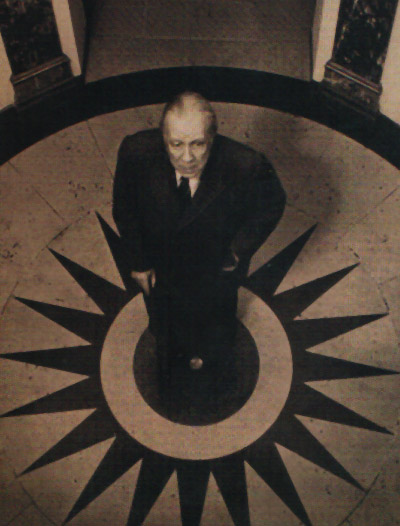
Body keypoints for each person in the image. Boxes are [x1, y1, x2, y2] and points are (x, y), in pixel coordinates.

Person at [112, 92, 286, 403]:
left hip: (216, 273)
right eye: (176, 144)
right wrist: (138, 263)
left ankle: (217, 380)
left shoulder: (246, 165)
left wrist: (237, 250)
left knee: (217, 327)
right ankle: (169, 379)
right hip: (160, 271)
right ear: (163, 138)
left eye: (198, 144)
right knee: (164, 326)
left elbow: (273, 203)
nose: (187, 157)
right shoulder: (135, 153)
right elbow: (124, 208)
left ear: (213, 139)